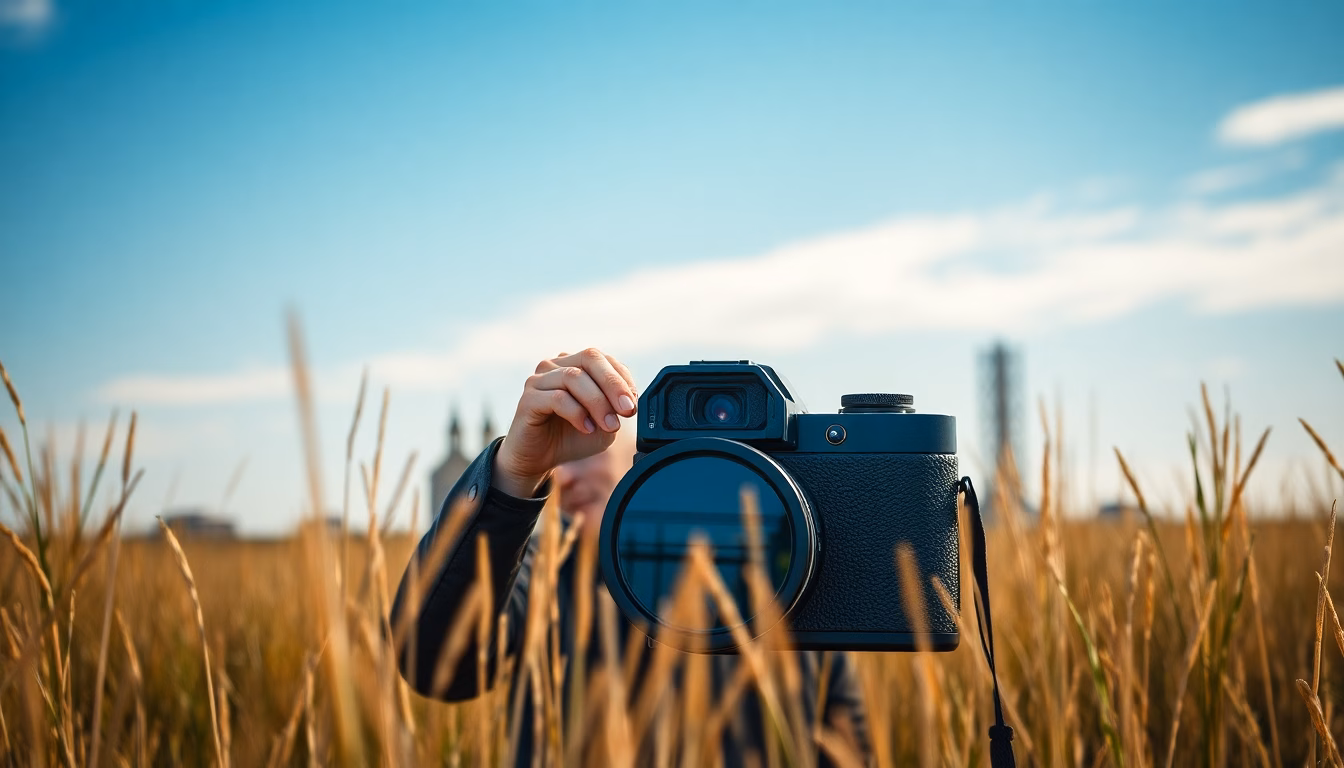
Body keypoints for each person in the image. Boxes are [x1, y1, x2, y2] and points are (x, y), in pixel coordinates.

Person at [390, 349, 872, 766]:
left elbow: (850, 748)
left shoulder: (792, 583)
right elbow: (435, 665)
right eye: (557, 460)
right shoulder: (539, 572)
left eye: (587, 452)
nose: (565, 478)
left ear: (646, 461)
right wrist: (514, 473)